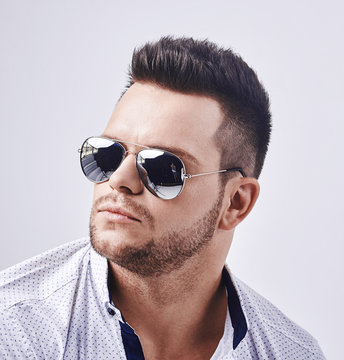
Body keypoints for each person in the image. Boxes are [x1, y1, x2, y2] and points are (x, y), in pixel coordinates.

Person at [0, 36, 325, 359]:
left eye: (163, 167)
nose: (119, 180)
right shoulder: (13, 329)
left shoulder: (291, 354)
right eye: (107, 154)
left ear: (236, 202)